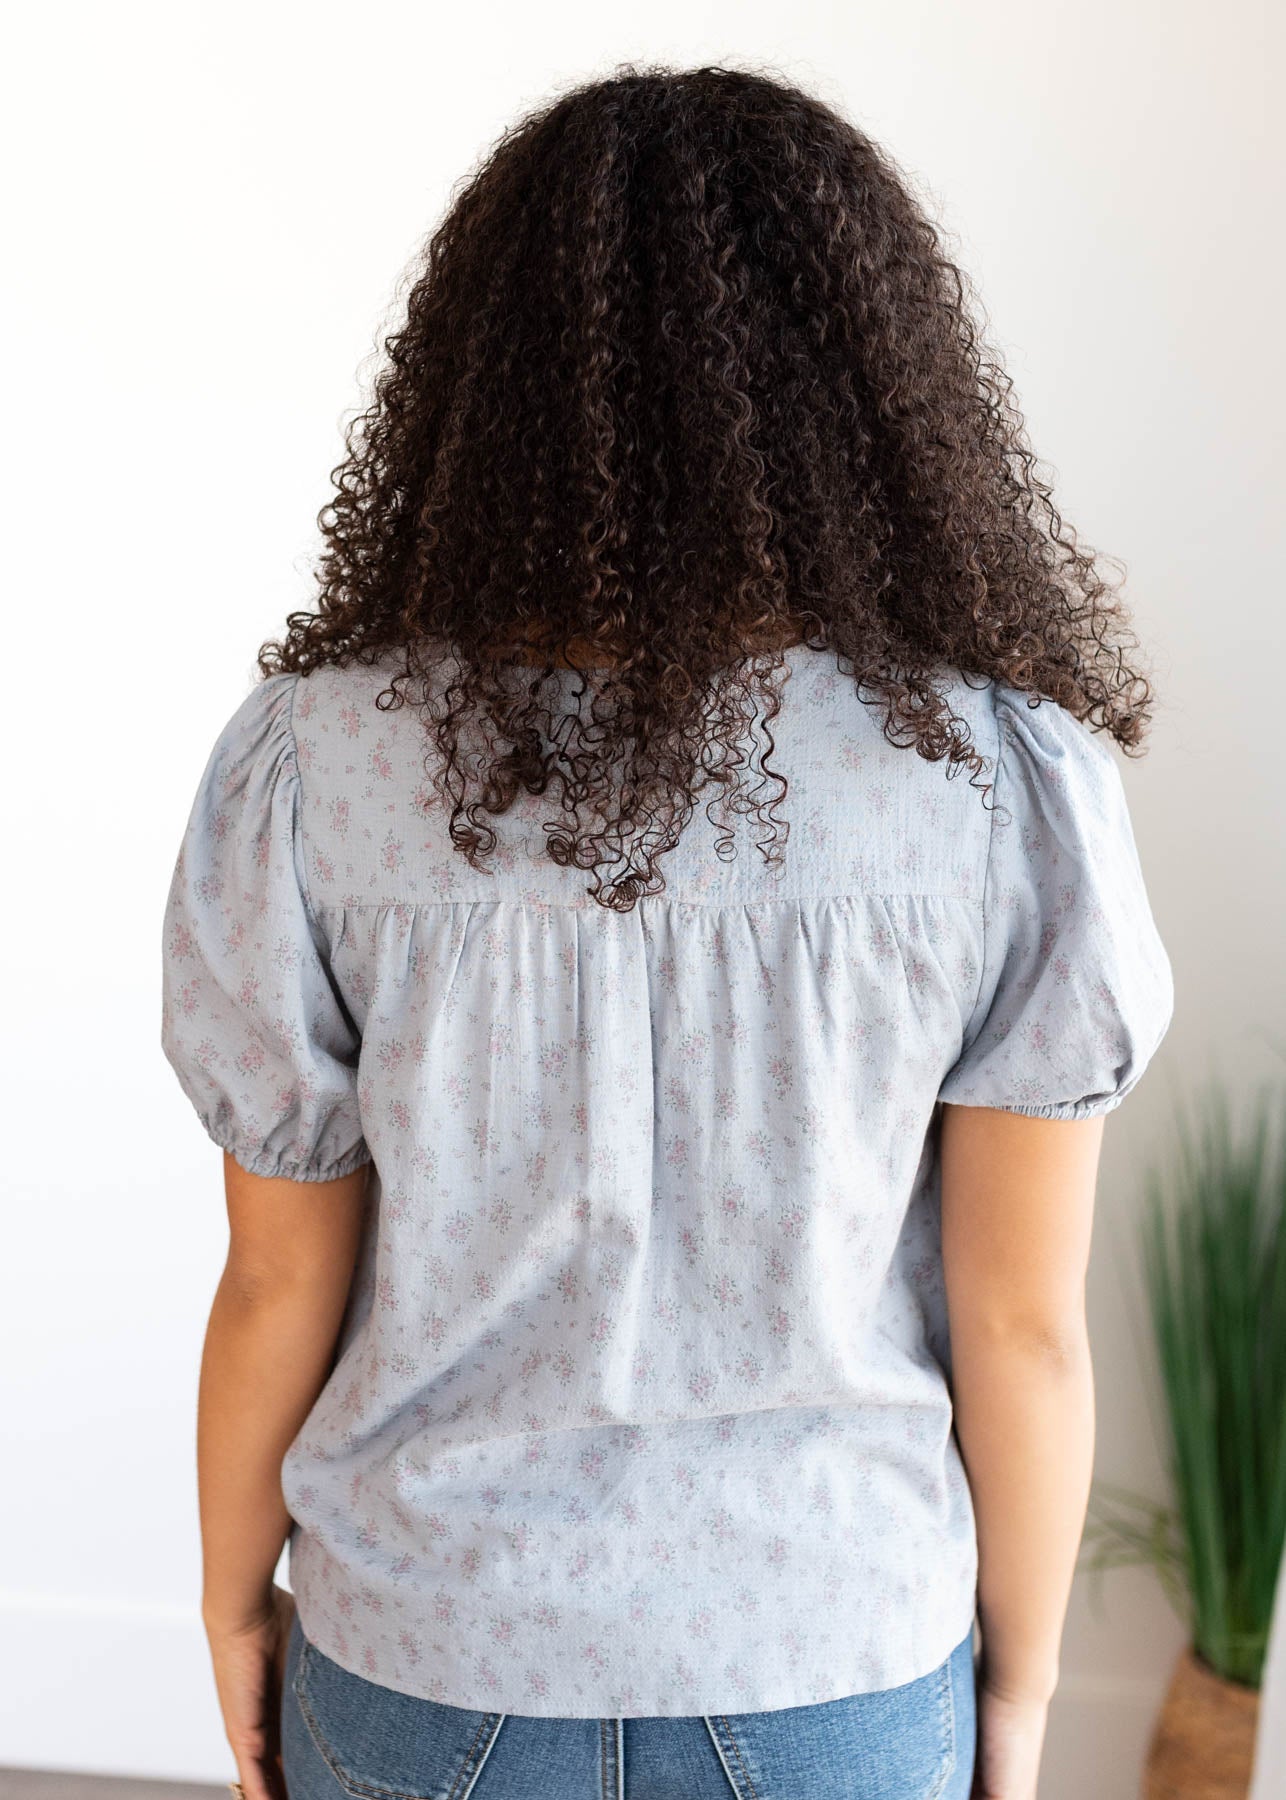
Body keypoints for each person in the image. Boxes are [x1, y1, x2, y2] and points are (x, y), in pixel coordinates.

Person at [159, 61, 1175, 1800]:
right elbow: (1022, 1330)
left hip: (423, 1646)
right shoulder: (1007, 780)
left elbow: (273, 1281)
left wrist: (225, 1601)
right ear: (874, 387)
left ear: (480, 388)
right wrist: (1018, 1688)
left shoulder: (314, 765)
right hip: (833, 1658)